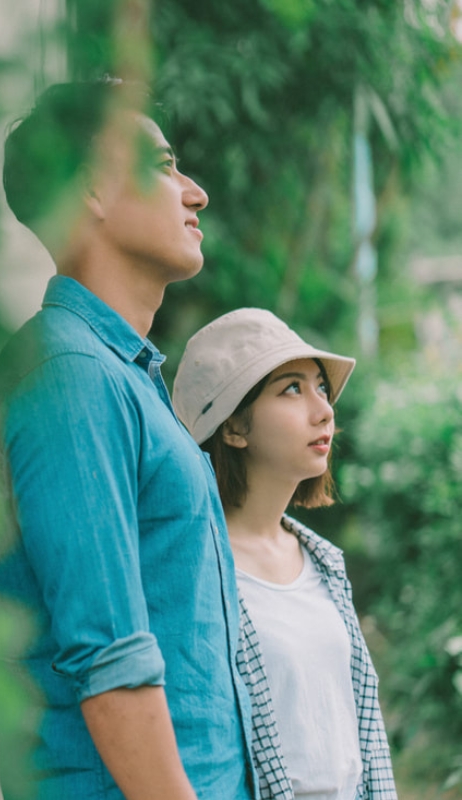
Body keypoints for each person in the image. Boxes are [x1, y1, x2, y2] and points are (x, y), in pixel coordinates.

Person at [0, 79, 253, 800]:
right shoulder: (70, 377)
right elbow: (111, 663)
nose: (197, 193)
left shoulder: (118, 374)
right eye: (163, 166)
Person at [173, 308, 398, 800]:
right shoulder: (196, 575)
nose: (324, 410)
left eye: (321, 387)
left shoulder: (324, 564)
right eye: (291, 388)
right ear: (233, 427)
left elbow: (362, 741)